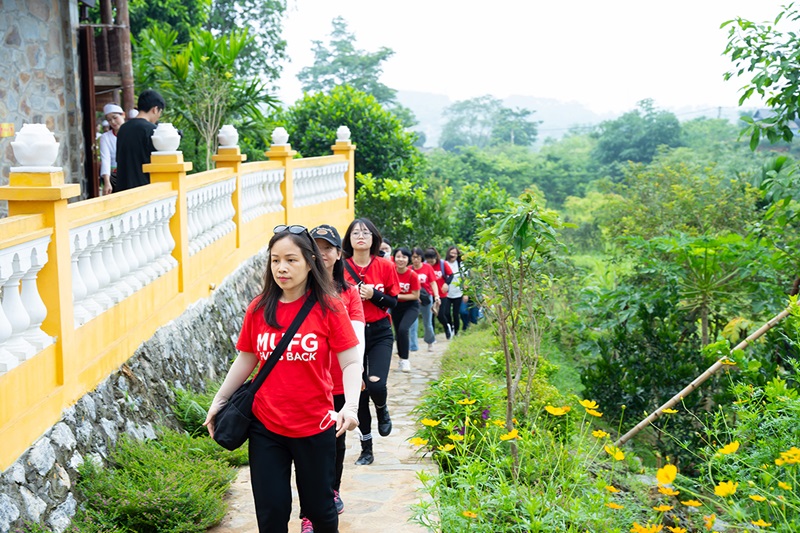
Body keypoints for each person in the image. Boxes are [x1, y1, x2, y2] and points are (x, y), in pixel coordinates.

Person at [204, 225, 363, 533]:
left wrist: (352, 406)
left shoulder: (330, 308)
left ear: (309, 262)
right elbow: (247, 358)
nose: (281, 268)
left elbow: (351, 361)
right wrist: (219, 400)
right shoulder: (260, 307)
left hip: (314, 426)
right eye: (275, 260)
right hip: (266, 426)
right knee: (271, 512)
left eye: (291, 259)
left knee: (320, 510)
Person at [300, 224, 365, 531]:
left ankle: (329, 492)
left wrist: (357, 372)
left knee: (332, 446)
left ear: (339, 254)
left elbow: (357, 337)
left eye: (328, 248)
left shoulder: (349, 293)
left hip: (337, 381)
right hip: (306, 382)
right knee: (306, 452)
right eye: (317, 246)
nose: (322, 253)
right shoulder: (296, 289)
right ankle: (308, 514)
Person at [342, 218, 400, 466]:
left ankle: (383, 407)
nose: (361, 236)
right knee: (359, 391)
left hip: (379, 332)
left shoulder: (385, 266)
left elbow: (394, 302)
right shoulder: (341, 267)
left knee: (376, 385)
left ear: (374, 237)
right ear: (349, 239)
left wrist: (373, 295)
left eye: (366, 232)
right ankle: (366, 448)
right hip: (350, 335)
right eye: (355, 232)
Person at [115, 89, 165, 192]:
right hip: (144, 189)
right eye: (160, 112)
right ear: (155, 109)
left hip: (123, 189)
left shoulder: (123, 129)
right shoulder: (153, 130)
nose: (158, 116)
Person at [391, 247, 420, 372]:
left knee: (403, 329)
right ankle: (401, 360)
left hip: (411, 306)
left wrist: (397, 296)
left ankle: (405, 360)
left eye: (404, 257)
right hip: (396, 306)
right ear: (394, 258)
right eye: (398, 256)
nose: (401, 259)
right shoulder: (391, 272)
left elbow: (415, 295)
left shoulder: (412, 275)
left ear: (408, 259)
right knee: (398, 332)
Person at [411, 247, 439, 352]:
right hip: (414, 299)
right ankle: (413, 345)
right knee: (412, 322)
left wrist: (436, 296)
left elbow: (433, 282)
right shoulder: (409, 269)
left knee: (427, 323)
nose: (416, 260)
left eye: (418, 257)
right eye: (414, 257)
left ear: (421, 257)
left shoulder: (427, 268)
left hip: (426, 298)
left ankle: (430, 341)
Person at [425, 246, 454, 338]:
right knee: (431, 316)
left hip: (441, 293)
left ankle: (446, 327)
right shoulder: (425, 266)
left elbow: (451, 275)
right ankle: (432, 335)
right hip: (429, 293)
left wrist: (446, 284)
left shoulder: (442, 264)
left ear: (436, 258)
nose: (430, 264)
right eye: (428, 261)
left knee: (440, 314)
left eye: (432, 261)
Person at [98, 103, 125, 195]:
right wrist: (107, 182)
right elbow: (105, 160)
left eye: (115, 117)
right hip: (113, 176)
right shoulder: (105, 137)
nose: (113, 122)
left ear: (123, 115)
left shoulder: (132, 132)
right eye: (109, 120)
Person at [443, 245, 464, 336]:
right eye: (452, 253)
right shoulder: (444, 264)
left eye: (455, 253)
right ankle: (450, 326)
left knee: (456, 313)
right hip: (446, 293)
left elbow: (464, 278)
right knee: (446, 312)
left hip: (458, 292)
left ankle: (456, 332)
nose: (453, 255)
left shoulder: (460, 264)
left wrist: (465, 291)